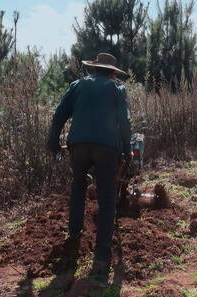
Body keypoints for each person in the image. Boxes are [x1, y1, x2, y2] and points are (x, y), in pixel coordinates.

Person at [47, 53, 132, 283]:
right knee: (106, 199)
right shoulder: (117, 89)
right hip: (106, 149)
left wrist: (53, 142)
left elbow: (59, 114)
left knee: (78, 186)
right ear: (113, 72)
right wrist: (127, 153)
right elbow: (124, 122)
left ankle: (74, 237)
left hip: (78, 146)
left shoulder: (77, 85)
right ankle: (102, 257)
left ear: (94, 69)